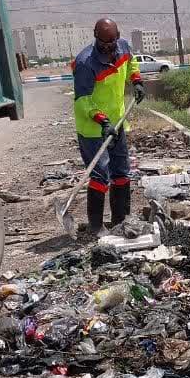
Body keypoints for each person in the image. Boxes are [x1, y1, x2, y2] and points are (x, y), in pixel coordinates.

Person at [72, 18, 146, 233]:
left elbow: (131, 62)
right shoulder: (86, 63)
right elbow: (83, 100)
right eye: (103, 43)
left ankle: (121, 220)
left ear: (117, 37)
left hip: (118, 123)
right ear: (96, 37)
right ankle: (96, 225)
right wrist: (102, 121)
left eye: (111, 42)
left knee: (122, 170)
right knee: (99, 174)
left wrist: (137, 81)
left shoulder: (123, 47)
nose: (107, 47)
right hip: (94, 128)